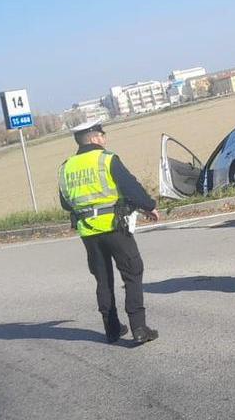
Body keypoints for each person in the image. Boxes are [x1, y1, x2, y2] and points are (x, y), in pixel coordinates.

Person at [59, 120, 161, 344]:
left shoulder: (66, 167)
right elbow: (130, 186)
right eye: (103, 135)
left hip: (88, 232)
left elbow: (66, 204)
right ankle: (139, 327)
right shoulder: (106, 159)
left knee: (103, 280)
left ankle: (112, 329)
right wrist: (149, 205)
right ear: (95, 137)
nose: (105, 139)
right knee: (133, 271)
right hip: (115, 227)